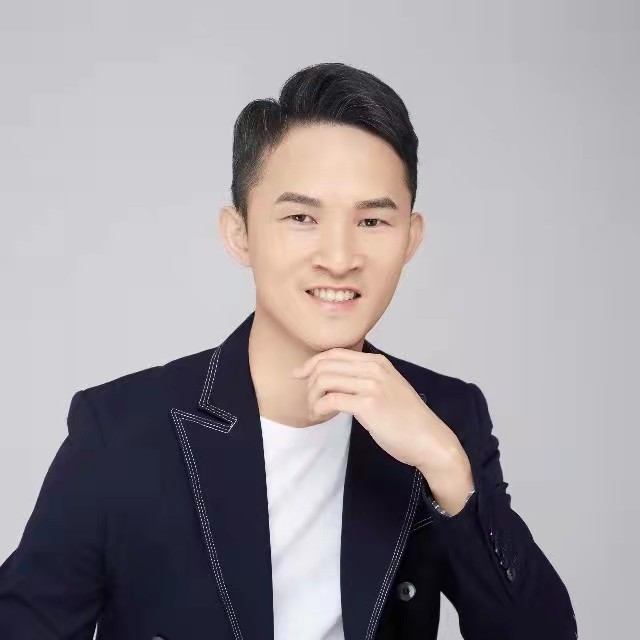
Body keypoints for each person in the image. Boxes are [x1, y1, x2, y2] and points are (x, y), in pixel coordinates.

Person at [0, 62, 577, 640]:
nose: (339, 257)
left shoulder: (446, 416)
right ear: (240, 235)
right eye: (302, 217)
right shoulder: (123, 429)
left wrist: (446, 466)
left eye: (373, 220)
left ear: (410, 238)